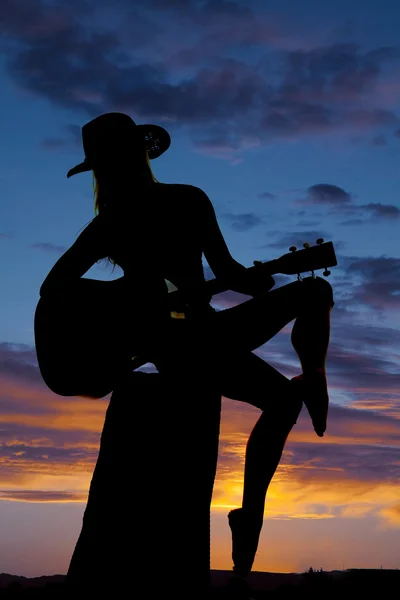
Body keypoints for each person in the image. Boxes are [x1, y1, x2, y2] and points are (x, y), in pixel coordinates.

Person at [39, 112, 334, 581]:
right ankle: (254, 505)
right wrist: (125, 296)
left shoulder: (189, 201)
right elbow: (54, 289)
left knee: (312, 304)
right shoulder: (110, 223)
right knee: (283, 392)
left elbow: (229, 272)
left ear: (136, 155)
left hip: (205, 334)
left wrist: (258, 280)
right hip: (173, 349)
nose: (114, 168)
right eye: (107, 162)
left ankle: (253, 503)